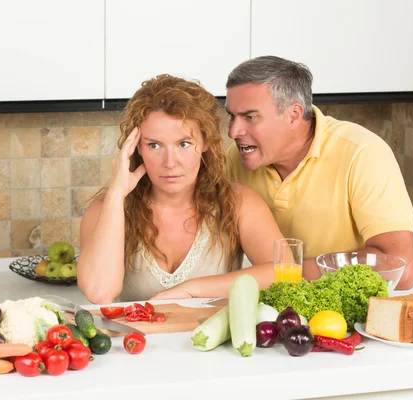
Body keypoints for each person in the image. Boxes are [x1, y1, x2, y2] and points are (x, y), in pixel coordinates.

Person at [77, 74, 285, 304]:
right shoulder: (105, 209)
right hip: (135, 340)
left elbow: (284, 274)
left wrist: (191, 290)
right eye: (154, 145)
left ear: (205, 142)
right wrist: (116, 196)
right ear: (136, 149)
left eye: (183, 144)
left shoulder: (238, 202)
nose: (170, 162)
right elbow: (99, 292)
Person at [224, 56, 413, 290]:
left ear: (293, 114)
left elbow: (400, 269)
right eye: (232, 116)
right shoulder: (234, 159)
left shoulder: (362, 153)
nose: (234, 131)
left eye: (250, 117)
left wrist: (283, 273)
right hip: (273, 306)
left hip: (346, 316)